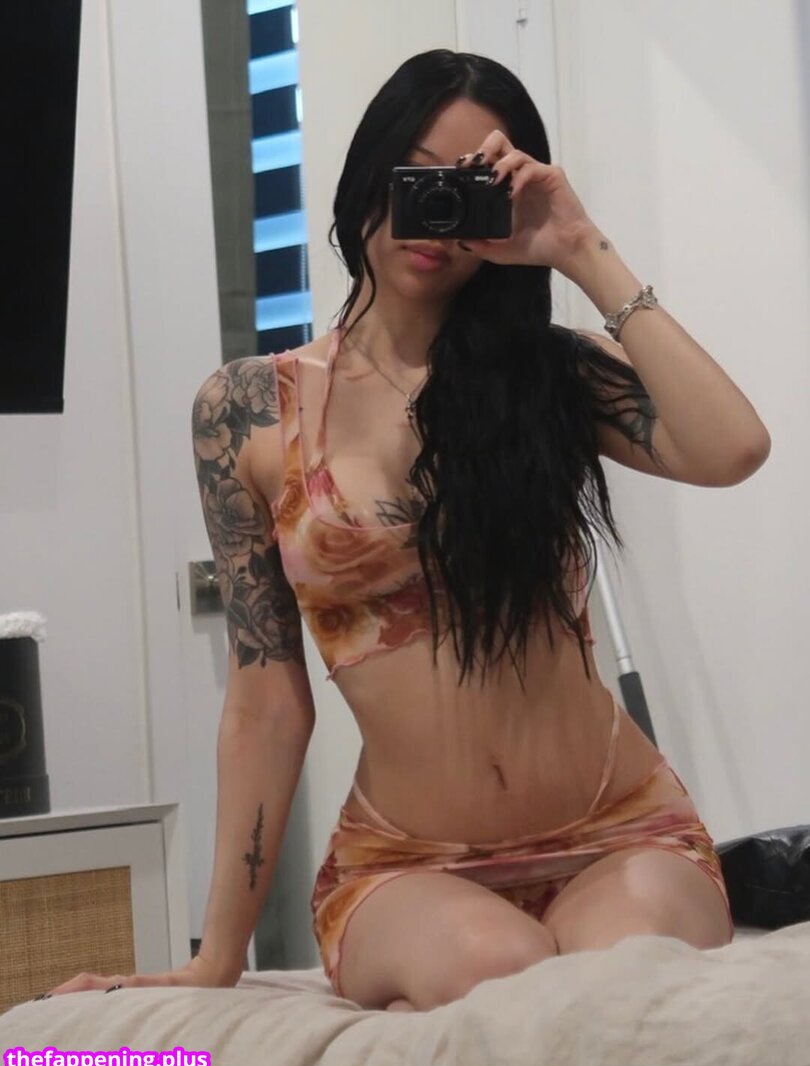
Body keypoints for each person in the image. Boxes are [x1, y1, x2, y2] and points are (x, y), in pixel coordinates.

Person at [45, 49, 770, 1010]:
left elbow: (734, 448)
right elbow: (265, 703)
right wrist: (216, 957)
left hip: (621, 831)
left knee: (612, 991)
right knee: (501, 975)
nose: (437, 216)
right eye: (417, 176)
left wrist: (580, 245)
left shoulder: (551, 377)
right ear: (367, 178)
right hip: (405, 863)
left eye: (473, 189)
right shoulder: (247, 412)